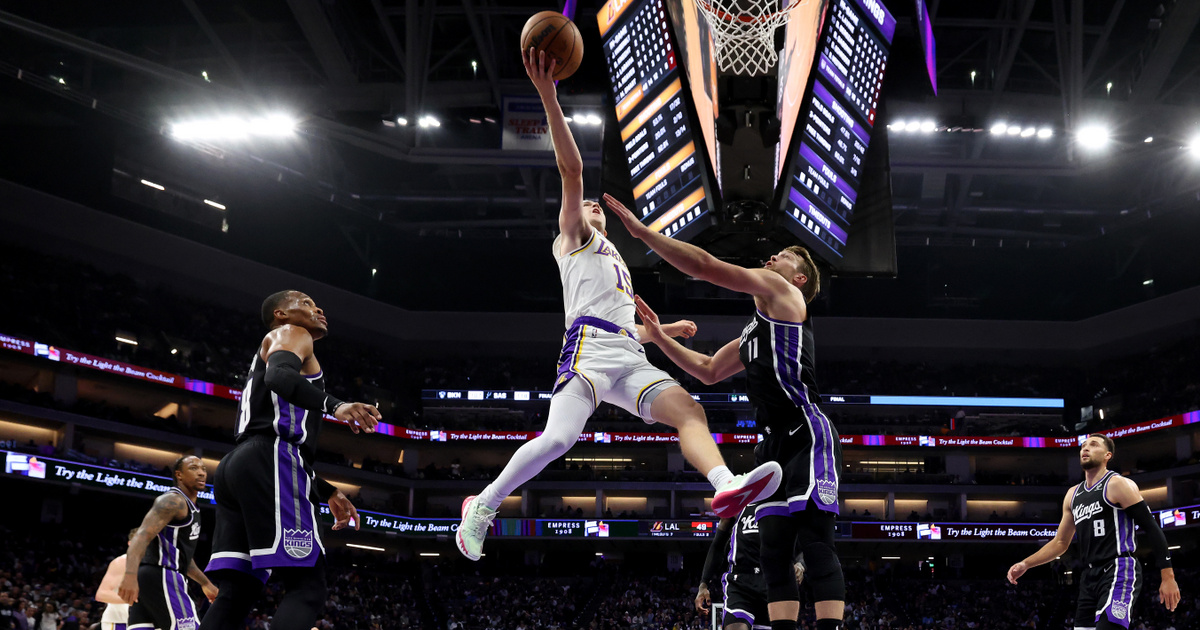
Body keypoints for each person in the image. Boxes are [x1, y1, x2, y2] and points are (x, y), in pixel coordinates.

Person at [454, 49, 782, 561]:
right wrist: (548, 96)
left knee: (690, 409)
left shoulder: (617, 262)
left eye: (592, 206)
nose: (589, 205)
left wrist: (662, 331)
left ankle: (725, 485)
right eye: (585, 205)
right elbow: (571, 170)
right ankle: (484, 504)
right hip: (587, 349)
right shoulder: (575, 238)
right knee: (559, 439)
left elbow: (626, 326)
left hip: (628, 354)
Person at [605, 196, 843, 630]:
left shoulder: (785, 293)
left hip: (807, 430)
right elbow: (708, 370)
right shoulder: (754, 328)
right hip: (773, 444)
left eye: (783, 256)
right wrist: (659, 336)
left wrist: (641, 233)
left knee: (816, 544)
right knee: (774, 553)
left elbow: (705, 265)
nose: (771, 257)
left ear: (800, 278)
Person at [200, 291, 382, 630]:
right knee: (308, 587)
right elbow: (278, 378)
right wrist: (336, 405)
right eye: (306, 303)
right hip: (271, 456)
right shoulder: (292, 334)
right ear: (281, 314)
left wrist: (326, 490)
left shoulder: (275, 345)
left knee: (238, 591)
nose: (318, 307)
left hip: (238, 465)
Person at [1007, 434, 1181, 629]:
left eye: (1093, 445)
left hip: (1119, 569)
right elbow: (1060, 543)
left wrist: (1168, 576)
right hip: (1089, 576)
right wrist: (1026, 563)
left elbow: (1151, 527)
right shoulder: (1072, 495)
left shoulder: (1117, 484)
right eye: (1083, 446)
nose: (1085, 448)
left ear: (1108, 455)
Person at [118, 456, 218, 630]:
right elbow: (141, 537)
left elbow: (183, 558)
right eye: (194, 468)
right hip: (162, 574)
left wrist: (205, 583)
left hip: (152, 577)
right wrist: (129, 575)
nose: (202, 473)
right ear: (179, 475)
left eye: (203, 469)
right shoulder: (173, 501)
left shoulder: (191, 507)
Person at [696, 500, 806, 630]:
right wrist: (703, 584)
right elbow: (718, 546)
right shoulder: (737, 504)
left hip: (775, 582)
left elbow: (806, 544)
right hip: (741, 583)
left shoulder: (787, 504)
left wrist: (801, 565)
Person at [95, 529, 137, 630]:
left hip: (151, 621)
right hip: (120, 621)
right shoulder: (122, 562)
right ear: (130, 544)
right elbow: (102, 594)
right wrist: (135, 600)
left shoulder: (161, 563)